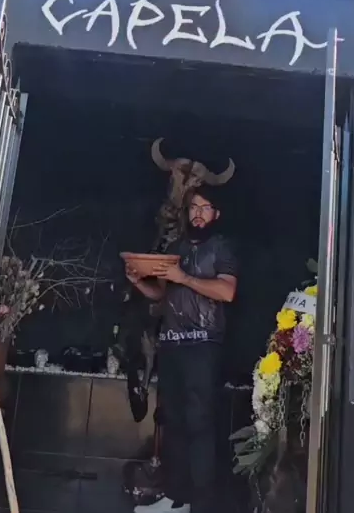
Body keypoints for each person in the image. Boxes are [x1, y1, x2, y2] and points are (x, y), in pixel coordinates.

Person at [126, 186, 237, 513]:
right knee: (172, 422)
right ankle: (176, 499)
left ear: (216, 214)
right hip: (171, 345)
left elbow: (227, 292)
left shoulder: (222, 247)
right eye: (193, 207)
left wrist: (184, 277)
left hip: (203, 346)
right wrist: (138, 281)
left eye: (205, 207)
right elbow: (162, 295)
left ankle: (201, 503)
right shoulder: (175, 248)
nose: (198, 213)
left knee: (200, 423)